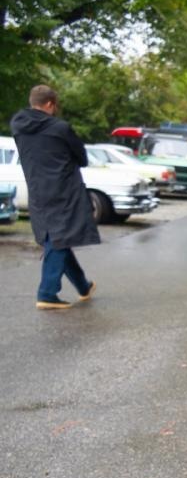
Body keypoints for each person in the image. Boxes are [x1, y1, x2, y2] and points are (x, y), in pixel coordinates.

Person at [10, 85, 97, 311]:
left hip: (38, 190)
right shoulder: (60, 128)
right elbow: (82, 157)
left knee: (57, 239)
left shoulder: (18, 127)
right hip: (64, 191)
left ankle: (83, 286)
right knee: (59, 238)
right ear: (50, 104)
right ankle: (47, 293)